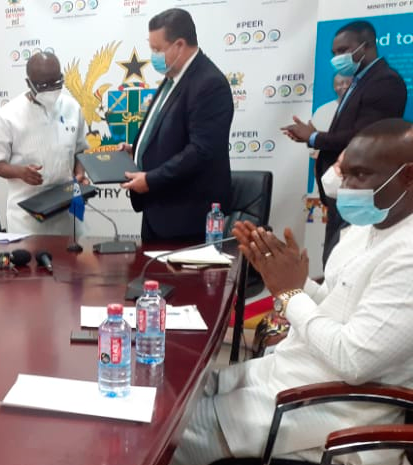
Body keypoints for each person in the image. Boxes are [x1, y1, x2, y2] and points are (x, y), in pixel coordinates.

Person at [173, 119, 413, 465]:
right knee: (177, 396)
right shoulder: (369, 229)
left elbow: (353, 360)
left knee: (162, 439)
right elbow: (336, 305)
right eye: (345, 175)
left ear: (408, 176)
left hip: (328, 411)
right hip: (292, 377)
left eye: (361, 176)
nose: (346, 187)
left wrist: (289, 293)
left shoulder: (406, 257)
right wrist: (291, 280)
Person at [282, 20, 407, 268]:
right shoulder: (361, 81)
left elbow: (364, 139)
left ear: (367, 45)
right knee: (334, 260)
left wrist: (314, 137)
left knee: (344, 264)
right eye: (334, 53)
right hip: (341, 191)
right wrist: (314, 135)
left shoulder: (384, 81)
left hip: (361, 191)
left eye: (343, 51)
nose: (337, 58)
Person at [120, 8, 233, 242]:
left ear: (180, 45)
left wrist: (150, 180)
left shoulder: (209, 83)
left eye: (157, 49)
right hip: (159, 212)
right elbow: (171, 135)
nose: (153, 56)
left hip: (186, 218)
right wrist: (139, 149)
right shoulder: (174, 77)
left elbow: (201, 151)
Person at [0, 51, 89, 235]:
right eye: (44, 85)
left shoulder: (72, 107)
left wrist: (79, 174)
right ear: (28, 83)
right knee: (31, 263)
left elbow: (80, 150)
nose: (51, 89)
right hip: (27, 216)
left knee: (73, 261)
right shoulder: (8, 115)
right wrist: (20, 172)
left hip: (67, 209)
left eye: (56, 83)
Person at [309, 74, 354, 159]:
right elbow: (313, 143)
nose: (344, 86)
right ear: (334, 87)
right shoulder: (322, 111)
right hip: (327, 162)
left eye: (348, 83)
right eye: (340, 83)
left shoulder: (362, 109)